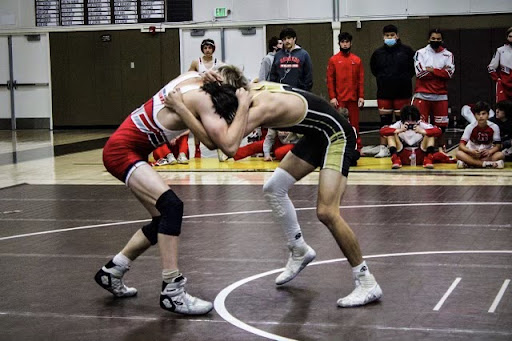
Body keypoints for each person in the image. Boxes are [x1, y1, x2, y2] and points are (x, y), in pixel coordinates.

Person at [167, 65, 382, 307]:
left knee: (327, 212)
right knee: (274, 188)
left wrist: (182, 110)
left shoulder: (261, 108)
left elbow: (227, 146)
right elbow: (208, 75)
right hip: (316, 134)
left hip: (336, 135)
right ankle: (299, 249)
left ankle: (366, 281)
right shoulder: (253, 87)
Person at [95, 69, 251, 316]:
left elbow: (194, 69)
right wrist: (243, 105)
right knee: (172, 207)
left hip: (126, 148)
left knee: (162, 219)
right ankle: (172, 291)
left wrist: (185, 101)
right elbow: (227, 147)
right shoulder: (205, 100)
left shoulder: (190, 76)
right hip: (122, 152)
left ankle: (113, 270)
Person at [370, 25, 415, 158]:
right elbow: (374, 70)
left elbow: (413, 69)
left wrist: (402, 79)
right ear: (383, 37)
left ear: (397, 36)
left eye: (392, 35)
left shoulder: (407, 51)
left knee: (403, 121)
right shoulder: (378, 53)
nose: (389, 38)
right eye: (387, 35)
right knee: (385, 121)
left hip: (403, 91)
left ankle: (402, 147)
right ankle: (384, 148)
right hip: (384, 92)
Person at [413, 28, 455, 149]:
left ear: (442, 40)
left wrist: (431, 69)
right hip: (422, 94)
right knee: (420, 124)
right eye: (433, 39)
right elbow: (420, 73)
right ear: (428, 39)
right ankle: (423, 148)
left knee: (441, 125)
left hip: (441, 95)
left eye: (438, 39)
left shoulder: (448, 55)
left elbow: (449, 74)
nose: (435, 41)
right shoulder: (420, 53)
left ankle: (441, 147)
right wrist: (440, 71)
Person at [327, 32, 364, 150]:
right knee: (339, 124)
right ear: (339, 44)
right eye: (342, 42)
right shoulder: (333, 60)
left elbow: (360, 80)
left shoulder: (357, 60)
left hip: (353, 99)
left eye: (347, 42)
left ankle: (357, 147)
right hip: (340, 99)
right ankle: (338, 147)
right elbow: (330, 80)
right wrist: (332, 97)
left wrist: (361, 97)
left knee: (354, 125)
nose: (345, 44)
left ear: (350, 43)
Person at [188, 38, 225, 158]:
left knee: (217, 120)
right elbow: (189, 76)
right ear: (202, 49)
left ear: (213, 49)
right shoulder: (196, 62)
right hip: (200, 93)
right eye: (205, 48)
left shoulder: (218, 63)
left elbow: (223, 79)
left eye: (209, 48)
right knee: (197, 120)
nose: (207, 50)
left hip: (213, 94)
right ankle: (197, 149)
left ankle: (220, 146)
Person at [380, 105, 442, 169]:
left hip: (420, 153)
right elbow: (382, 131)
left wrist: (422, 131)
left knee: (430, 134)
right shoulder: (399, 124)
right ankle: (395, 159)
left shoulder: (421, 124)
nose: (410, 123)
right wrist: (399, 130)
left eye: (412, 120)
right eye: (408, 120)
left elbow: (438, 131)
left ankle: (428, 159)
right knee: (391, 134)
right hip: (402, 153)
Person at [456, 101, 505, 169]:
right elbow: (461, 146)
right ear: (475, 116)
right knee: (459, 154)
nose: (481, 116)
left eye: (483, 114)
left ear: (488, 115)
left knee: (500, 155)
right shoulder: (470, 127)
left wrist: (490, 151)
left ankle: (470, 164)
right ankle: (487, 164)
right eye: (478, 114)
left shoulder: (494, 127)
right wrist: (471, 151)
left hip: (486, 155)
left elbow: (498, 146)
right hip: (472, 154)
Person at [488, 27, 512, 102]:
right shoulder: (500, 50)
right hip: (504, 83)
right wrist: (498, 79)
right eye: (510, 36)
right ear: (507, 37)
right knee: (503, 107)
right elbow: (491, 67)